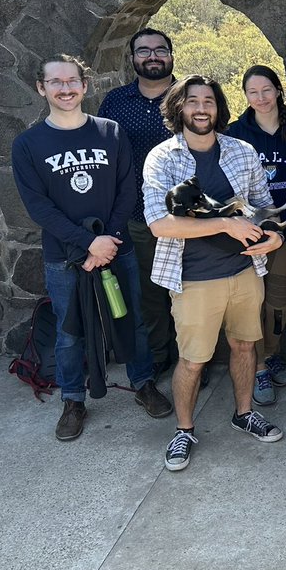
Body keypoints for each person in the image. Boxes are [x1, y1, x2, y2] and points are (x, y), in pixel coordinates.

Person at [12, 54, 172, 441]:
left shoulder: (110, 132)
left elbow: (126, 190)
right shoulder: (28, 144)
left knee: (132, 318)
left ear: (85, 86)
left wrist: (108, 242)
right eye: (56, 82)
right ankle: (72, 400)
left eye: (72, 81)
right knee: (71, 331)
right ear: (42, 88)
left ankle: (143, 383)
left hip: (117, 247)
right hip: (65, 257)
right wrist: (87, 244)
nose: (65, 89)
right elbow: (39, 207)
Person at [143, 75, 286, 472]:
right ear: (179, 108)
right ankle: (184, 430)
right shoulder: (163, 158)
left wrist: (274, 237)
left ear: (219, 108)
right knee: (193, 360)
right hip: (191, 278)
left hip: (244, 270)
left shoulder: (241, 151)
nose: (201, 108)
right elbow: (159, 223)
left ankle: (244, 413)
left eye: (209, 101)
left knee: (244, 346)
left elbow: (264, 206)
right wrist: (226, 225)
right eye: (192, 101)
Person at [98, 28, 177, 376]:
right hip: (136, 213)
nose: (153, 56)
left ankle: (195, 359)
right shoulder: (115, 102)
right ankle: (159, 354)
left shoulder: (190, 94)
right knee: (149, 293)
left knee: (189, 290)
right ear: (132, 59)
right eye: (143, 51)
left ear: (172, 55)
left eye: (160, 50)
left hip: (186, 213)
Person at [225, 65, 286, 407]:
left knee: (277, 302)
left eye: (266, 90)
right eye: (253, 92)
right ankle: (257, 369)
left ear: (278, 90)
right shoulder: (236, 134)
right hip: (249, 232)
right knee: (250, 303)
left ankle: (272, 354)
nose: (261, 98)